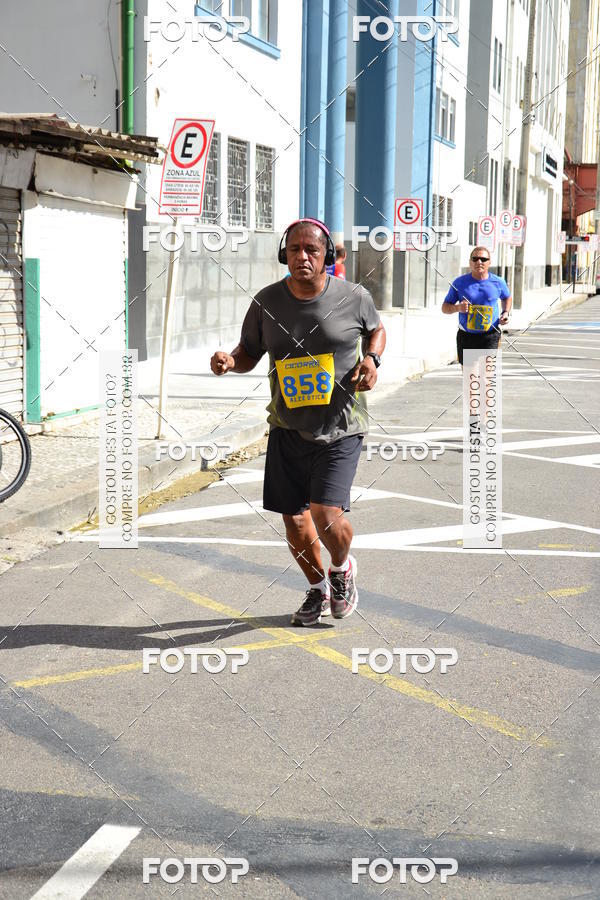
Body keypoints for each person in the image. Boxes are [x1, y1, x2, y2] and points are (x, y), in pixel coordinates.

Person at [210, 218, 386, 626]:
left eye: (311, 250)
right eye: (294, 250)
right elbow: (249, 351)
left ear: (328, 256)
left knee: (326, 513)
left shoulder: (354, 297)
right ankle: (318, 587)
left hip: (341, 423)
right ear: (283, 254)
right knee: (293, 518)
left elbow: (377, 331)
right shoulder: (266, 302)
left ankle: (341, 568)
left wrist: (371, 359)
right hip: (288, 426)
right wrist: (230, 362)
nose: (302, 257)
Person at [441, 247, 512, 364]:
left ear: (489, 262)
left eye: (483, 259)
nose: (479, 262)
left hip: (490, 335)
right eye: (475, 259)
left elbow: (507, 297)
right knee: (471, 379)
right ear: (470, 262)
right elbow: (445, 308)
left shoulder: (498, 282)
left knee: (487, 379)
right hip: (466, 336)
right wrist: (457, 308)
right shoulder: (459, 283)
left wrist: (505, 313)